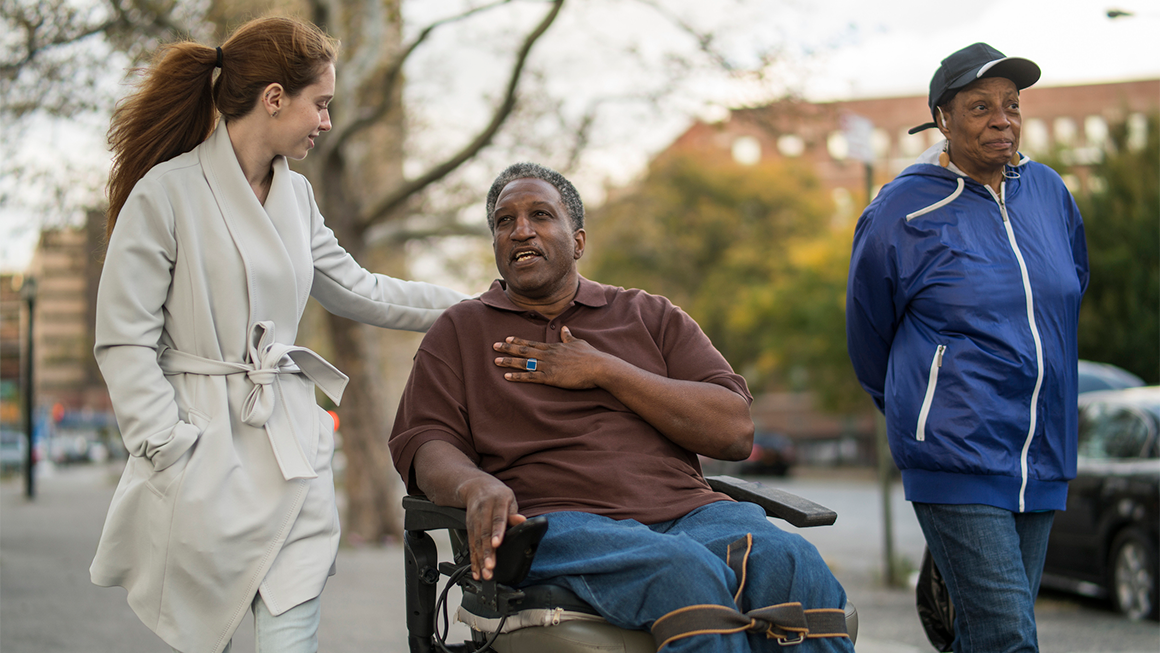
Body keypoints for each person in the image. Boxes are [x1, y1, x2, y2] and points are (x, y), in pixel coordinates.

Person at [89, 16, 469, 653]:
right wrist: (167, 444)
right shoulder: (166, 193)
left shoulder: (297, 198)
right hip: (203, 447)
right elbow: (123, 339)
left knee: (292, 630)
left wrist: (476, 306)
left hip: (291, 447)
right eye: (319, 104)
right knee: (212, 632)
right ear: (273, 98)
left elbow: (361, 290)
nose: (326, 121)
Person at [390, 162, 854, 652]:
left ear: (579, 241)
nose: (520, 230)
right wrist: (473, 483)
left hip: (690, 511)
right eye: (505, 222)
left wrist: (606, 371)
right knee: (682, 572)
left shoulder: (649, 315)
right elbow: (425, 441)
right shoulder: (460, 330)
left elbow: (734, 432)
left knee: (791, 560)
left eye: (540, 215)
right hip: (557, 521)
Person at [846, 43, 1089, 653]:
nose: (1002, 119)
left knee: (984, 633)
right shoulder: (902, 209)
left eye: (1011, 105)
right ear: (942, 119)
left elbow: (1069, 286)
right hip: (956, 450)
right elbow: (869, 333)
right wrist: (922, 410)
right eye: (980, 107)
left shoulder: (1048, 192)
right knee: (1008, 634)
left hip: (1042, 451)